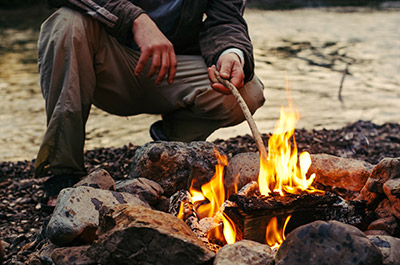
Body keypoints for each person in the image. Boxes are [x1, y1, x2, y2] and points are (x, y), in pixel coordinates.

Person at [35, 0, 265, 208]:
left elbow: (225, 19)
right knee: (67, 22)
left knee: (247, 91)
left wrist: (230, 52)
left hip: (173, 67)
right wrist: (135, 19)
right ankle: (64, 169)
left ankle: (169, 148)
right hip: (106, 63)